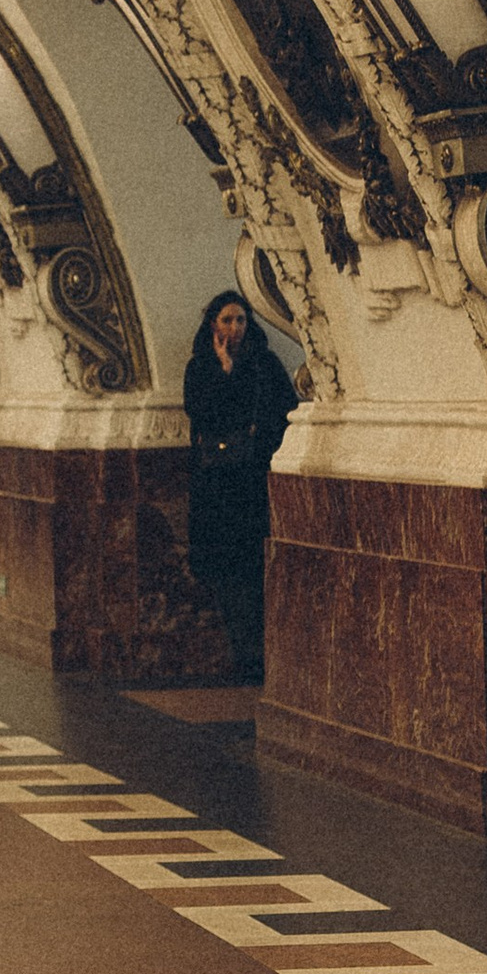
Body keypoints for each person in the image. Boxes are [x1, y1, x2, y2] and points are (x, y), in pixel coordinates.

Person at [184, 288, 296, 688]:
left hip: (251, 482)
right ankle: (243, 654)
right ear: (212, 324)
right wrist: (224, 370)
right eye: (227, 320)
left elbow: (283, 411)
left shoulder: (265, 364)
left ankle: (259, 655)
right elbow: (201, 412)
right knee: (226, 572)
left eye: (241, 320)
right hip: (217, 487)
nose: (235, 328)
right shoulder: (201, 367)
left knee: (253, 569)